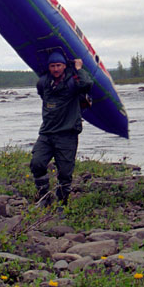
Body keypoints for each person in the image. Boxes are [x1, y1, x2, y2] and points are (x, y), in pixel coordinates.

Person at [30, 51, 93, 206]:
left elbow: (86, 84)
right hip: (46, 134)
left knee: (65, 173)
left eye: (58, 65)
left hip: (67, 134)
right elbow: (42, 94)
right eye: (52, 66)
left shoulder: (73, 83)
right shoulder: (44, 82)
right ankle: (45, 198)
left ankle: (62, 203)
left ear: (64, 66)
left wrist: (79, 68)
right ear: (49, 67)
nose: (56, 69)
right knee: (37, 163)